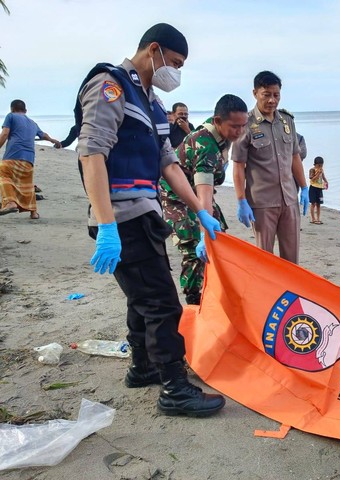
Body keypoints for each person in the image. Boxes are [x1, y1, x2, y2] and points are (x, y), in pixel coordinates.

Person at [75, 23, 226, 417]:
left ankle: (143, 367)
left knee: (142, 297)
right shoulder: (111, 87)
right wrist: (106, 225)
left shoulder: (153, 103)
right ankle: (175, 389)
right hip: (121, 217)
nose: (175, 71)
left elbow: (168, 163)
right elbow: (91, 154)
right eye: (174, 63)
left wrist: (201, 211)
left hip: (146, 212)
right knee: (162, 303)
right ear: (153, 50)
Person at [161, 94, 249, 305]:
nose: (240, 131)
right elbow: (204, 195)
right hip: (176, 197)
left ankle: (217, 289)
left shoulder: (221, 131)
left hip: (195, 190)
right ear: (218, 121)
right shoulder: (206, 147)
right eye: (234, 127)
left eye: (243, 126)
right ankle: (194, 299)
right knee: (194, 248)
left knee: (220, 240)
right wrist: (203, 234)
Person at [232, 70, 309, 264]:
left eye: (276, 95)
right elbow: (239, 166)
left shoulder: (287, 121)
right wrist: (241, 200)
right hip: (262, 202)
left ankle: (290, 294)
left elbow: (294, 157)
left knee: (291, 260)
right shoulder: (246, 123)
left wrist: (305, 187)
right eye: (266, 95)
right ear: (255, 93)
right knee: (264, 259)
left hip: (289, 199)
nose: (272, 100)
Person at [0, 99, 61, 219]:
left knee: (3, 176)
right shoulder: (33, 123)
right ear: (25, 110)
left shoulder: (11, 116)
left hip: (13, 155)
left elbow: (5, 133)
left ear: (12, 109)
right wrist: (53, 140)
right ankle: (33, 213)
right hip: (29, 158)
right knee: (27, 185)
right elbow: (43, 135)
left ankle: (10, 202)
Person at [308, 156, 328, 225]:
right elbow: (312, 179)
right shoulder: (312, 170)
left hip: (319, 188)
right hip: (313, 187)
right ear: (315, 164)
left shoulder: (321, 170)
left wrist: (326, 182)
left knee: (319, 204)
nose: (320, 167)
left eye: (321, 165)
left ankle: (318, 218)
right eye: (319, 165)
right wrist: (318, 173)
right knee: (313, 203)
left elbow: (323, 177)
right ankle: (313, 218)